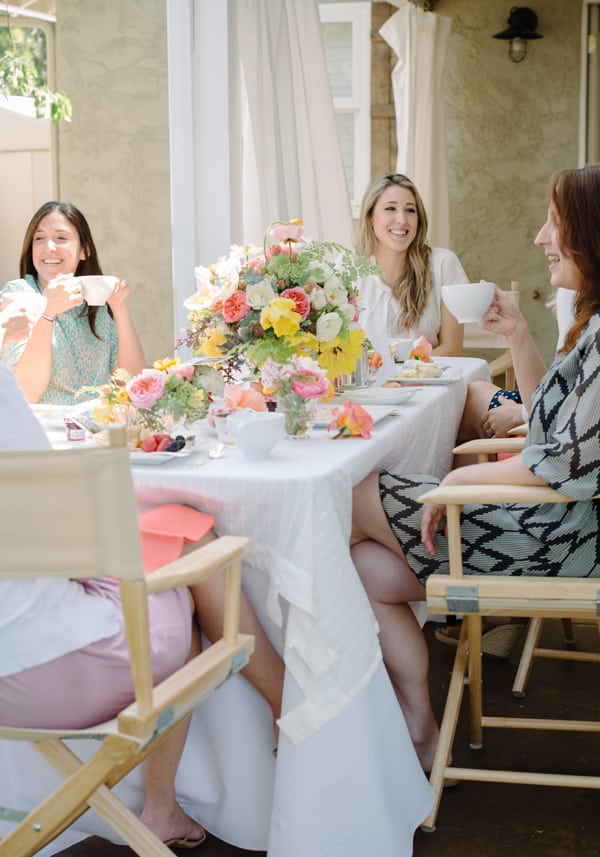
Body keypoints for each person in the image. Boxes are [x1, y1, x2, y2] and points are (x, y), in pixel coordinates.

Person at [349, 165, 600, 772]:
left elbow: (573, 461)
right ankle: (420, 727)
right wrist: (517, 335)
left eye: (554, 224)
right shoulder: (590, 323)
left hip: (563, 537)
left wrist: (461, 481)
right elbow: (548, 425)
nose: (541, 238)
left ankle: (408, 721)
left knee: (354, 494)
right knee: (363, 567)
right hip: (557, 518)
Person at [0, 364, 284, 847]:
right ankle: (289, 712)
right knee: (189, 538)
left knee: (148, 543)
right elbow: (53, 518)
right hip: (61, 675)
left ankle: (163, 805)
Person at [0, 200, 145, 405]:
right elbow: (26, 393)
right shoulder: (18, 295)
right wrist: (47, 311)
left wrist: (119, 307)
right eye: (39, 238)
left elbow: (131, 384)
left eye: (61, 238)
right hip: (47, 431)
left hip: (96, 428)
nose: (49, 247)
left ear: (84, 250)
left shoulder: (96, 304)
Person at [357, 173, 465, 379]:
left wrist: (398, 372)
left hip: (429, 386)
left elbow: (451, 349)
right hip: (368, 391)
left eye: (410, 210)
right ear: (371, 216)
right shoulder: (349, 272)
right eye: (390, 209)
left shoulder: (443, 264)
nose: (402, 220)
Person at [457, 287, 576, 443]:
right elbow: (564, 386)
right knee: (473, 395)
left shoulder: (576, 298)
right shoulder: (571, 293)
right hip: (556, 407)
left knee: (467, 412)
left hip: (567, 433)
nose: (549, 260)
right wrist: (515, 329)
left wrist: (520, 414)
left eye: (564, 259)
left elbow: (582, 400)